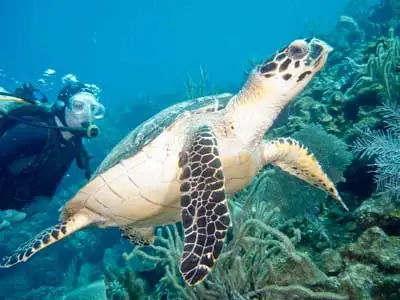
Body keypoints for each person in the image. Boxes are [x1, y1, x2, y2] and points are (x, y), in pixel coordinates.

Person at [0, 74, 105, 210]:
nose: (88, 115)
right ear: (62, 106)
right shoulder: (33, 132)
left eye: (93, 109)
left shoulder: (73, 144)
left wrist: (23, 212)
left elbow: (48, 187)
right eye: (78, 106)